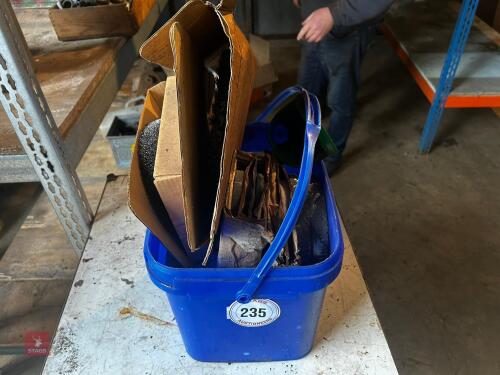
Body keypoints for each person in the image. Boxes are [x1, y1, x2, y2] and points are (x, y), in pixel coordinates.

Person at [293, 0, 394, 174]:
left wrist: (334, 14)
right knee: (307, 91)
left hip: (348, 30)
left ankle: (329, 157)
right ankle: (305, 140)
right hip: (313, 21)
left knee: (340, 100)